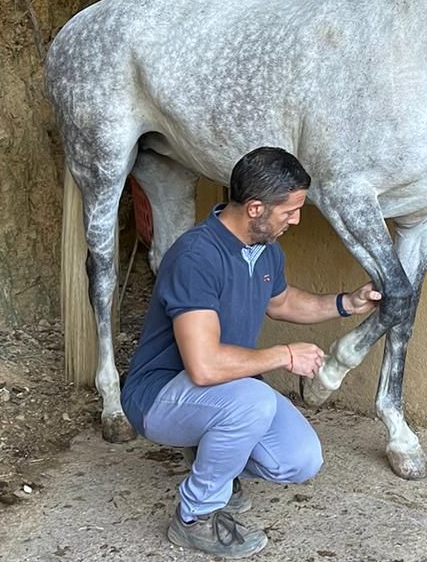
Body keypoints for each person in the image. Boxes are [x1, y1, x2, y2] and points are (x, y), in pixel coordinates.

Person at [120, 146, 381, 558]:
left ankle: (214, 460)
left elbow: (280, 301)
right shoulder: (196, 256)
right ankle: (194, 517)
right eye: (290, 210)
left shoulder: (265, 249)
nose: (296, 219)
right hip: (158, 397)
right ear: (256, 208)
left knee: (300, 460)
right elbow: (204, 367)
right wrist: (284, 355)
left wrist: (347, 302)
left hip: (220, 393)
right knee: (253, 400)